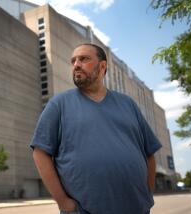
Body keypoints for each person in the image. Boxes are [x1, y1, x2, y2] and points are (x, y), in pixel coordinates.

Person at [30, 44, 162, 214]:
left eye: (83, 59)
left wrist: (147, 195)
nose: (76, 64)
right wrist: (63, 202)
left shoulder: (127, 104)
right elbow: (40, 153)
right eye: (73, 61)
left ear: (102, 66)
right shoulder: (59, 104)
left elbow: (149, 152)